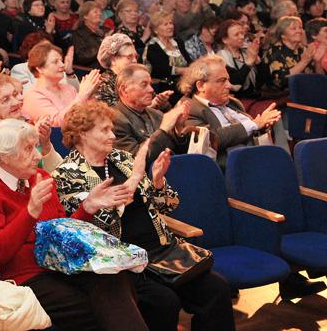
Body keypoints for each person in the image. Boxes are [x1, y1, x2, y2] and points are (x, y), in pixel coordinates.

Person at [54, 101, 236, 331]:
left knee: (217, 289)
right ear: (82, 134)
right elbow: (81, 231)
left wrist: (158, 182)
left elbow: (167, 205)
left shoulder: (122, 159)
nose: (112, 135)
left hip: (163, 251)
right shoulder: (66, 174)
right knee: (163, 302)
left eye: (112, 128)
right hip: (124, 262)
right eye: (104, 130)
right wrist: (113, 203)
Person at [0, 119, 149, 331]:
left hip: (64, 265)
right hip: (26, 277)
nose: (37, 155)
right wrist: (30, 212)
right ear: (4, 157)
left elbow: (62, 232)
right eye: (28, 149)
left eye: (36, 146)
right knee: (99, 310)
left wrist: (87, 207)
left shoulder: (40, 177)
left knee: (115, 280)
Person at [180, 55, 281, 168]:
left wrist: (263, 126)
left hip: (255, 160)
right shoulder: (189, 109)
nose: (229, 85)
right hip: (229, 170)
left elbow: (252, 131)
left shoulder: (234, 103)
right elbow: (210, 139)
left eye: (228, 80)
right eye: (222, 81)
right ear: (201, 85)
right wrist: (254, 124)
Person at [0, 74, 64, 182]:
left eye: (15, 95)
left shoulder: (26, 128)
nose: (16, 102)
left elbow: (58, 173)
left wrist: (45, 144)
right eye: (5, 100)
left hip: (45, 189)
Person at [112, 64, 191, 166]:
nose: (151, 90)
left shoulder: (157, 114)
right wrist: (163, 129)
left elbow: (183, 154)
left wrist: (178, 129)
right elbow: (133, 161)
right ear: (124, 90)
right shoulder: (114, 120)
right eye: (144, 85)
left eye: (150, 84)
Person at [22, 41, 100, 126]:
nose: (62, 64)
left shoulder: (69, 89)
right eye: (55, 62)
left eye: (61, 60)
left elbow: (89, 117)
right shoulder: (33, 96)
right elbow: (57, 124)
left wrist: (91, 93)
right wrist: (83, 94)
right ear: (40, 69)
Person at [263, 16, 321, 93]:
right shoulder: (275, 52)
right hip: (281, 97)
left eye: (300, 28)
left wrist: (317, 62)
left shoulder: (304, 49)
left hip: (307, 91)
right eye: (294, 28)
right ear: (283, 35)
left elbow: (319, 78)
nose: (299, 31)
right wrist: (303, 62)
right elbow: (280, 82)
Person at [144, 11, 191, 94]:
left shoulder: (178, 42)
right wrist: (184, 71)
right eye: (165, 24)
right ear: (155, 30)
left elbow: (189, 61)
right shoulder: (153, 46)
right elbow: (162, 70)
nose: (170, 26)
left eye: (171, 23)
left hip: (184, 83)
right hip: (164, 87)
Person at [215, 19, 262, 99]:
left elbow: (264, 80)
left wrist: (258, 61)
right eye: (236, 35)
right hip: (237, 100)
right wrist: (249, 62)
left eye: (242, 33)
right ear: (225, 40)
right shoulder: (221, 57)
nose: (242, 37)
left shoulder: (246, 51)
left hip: (255, 97)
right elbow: (234, 83)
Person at [93, 33, 144, 106]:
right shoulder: (103, 84)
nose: (135, 61)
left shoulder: (136, 78)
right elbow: (115, 113)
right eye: (129, 57)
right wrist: (149, 107)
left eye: (136, 57)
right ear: (113, 59)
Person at [72, 1, 108, 68]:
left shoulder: (106, 30)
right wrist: (104, 44)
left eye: (100, 11)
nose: (99, 14)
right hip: (90, 71)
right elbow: (82, 56)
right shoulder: (79, 34)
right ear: (85, 16)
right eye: (95, 12)